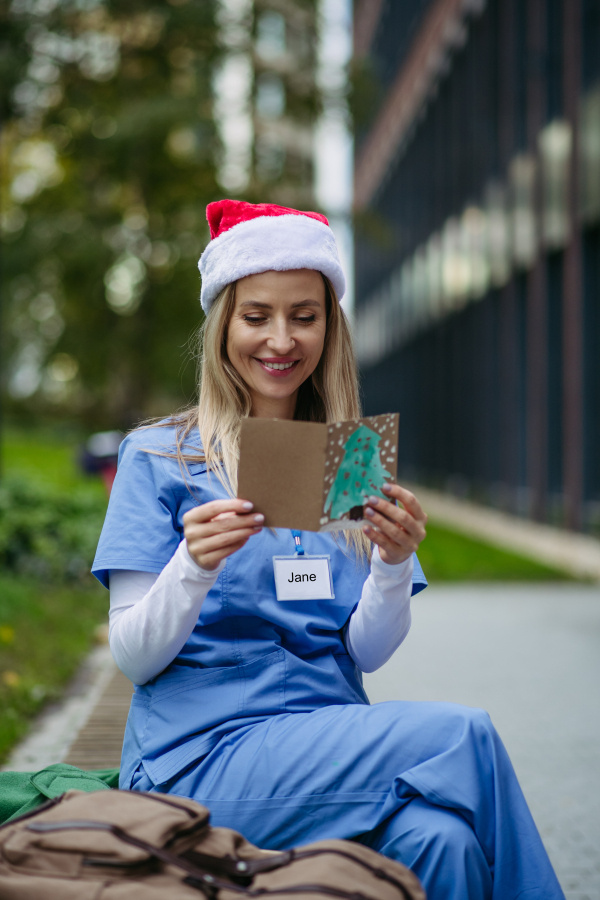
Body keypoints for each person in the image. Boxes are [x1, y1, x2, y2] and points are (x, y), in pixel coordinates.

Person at [93, 200, 565, 900]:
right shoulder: (160, 456)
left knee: (446, 841)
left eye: (304, 316)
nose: (281, 339)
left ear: (329, 327)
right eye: (257, 316)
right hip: (198, 760)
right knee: (461, 736)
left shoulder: (352, 459)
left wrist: (393, 564)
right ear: (224, 321)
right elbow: (133, 654)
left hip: (328, 747)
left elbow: (366, 652)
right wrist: (191, 567)